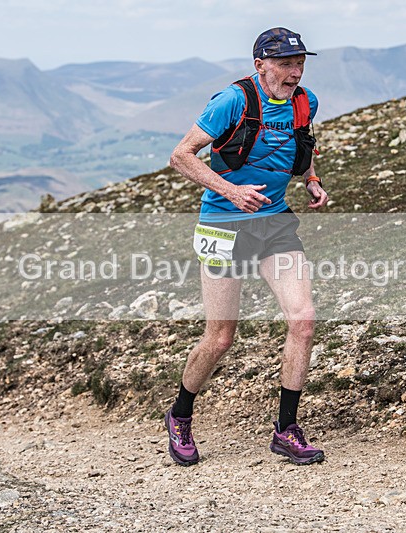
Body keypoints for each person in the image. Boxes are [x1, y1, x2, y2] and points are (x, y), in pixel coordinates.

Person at [165, 27, 328, 466]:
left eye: (300, 64)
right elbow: (181, 156)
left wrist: (311, 179)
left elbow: (300, 145)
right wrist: (232, 191)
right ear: (260, 65)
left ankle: (286, 430)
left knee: (303, 320)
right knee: (220, 338)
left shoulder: (305, 102)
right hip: (224, 224)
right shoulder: (232, 101)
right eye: (286, 64)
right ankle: (180, 415)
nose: (295, 72)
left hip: (274, 222)